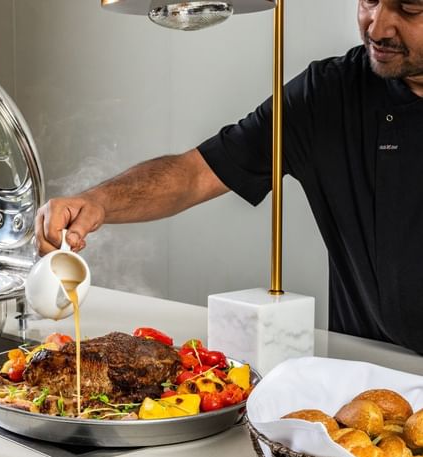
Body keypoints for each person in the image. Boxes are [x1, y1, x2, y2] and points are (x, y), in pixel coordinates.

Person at [35, 0, 423, 354]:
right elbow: (194, 173)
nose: (377, 28)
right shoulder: (330, 93)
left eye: (409, 8)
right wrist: (98, 201)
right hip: (365, 375)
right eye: (370, 1)